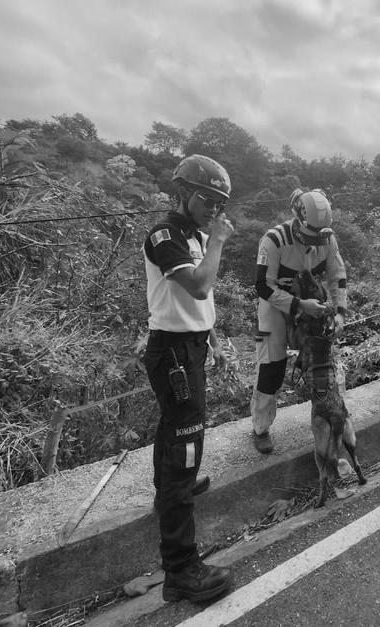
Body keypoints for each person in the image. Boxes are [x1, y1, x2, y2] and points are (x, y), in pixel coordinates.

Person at [142, 154, 235, 602]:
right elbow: (198, 286)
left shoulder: (196, 235)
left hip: (192, 346)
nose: (213, 209)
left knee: (174, 431)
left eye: (219, 203)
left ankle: (169, 489)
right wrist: (218, 242)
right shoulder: (166, 236)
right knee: (185, 446)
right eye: (206, 199)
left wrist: (213, 341)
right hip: (173, 351)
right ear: (183, 192)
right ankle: (181, 570)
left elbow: (201, 302)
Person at [250, 188, 348, 454]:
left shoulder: (327, 238)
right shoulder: (274, 240)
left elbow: (337, 276)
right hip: (276, 305)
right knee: (271, 367)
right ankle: (260, 427)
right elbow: (263, 286)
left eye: (320, 236)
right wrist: (298, 305)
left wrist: (340, 312)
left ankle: (330, 414)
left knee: (321, 361)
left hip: (311, 304)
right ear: (298, 220)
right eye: (310, 235)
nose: (315, 241)